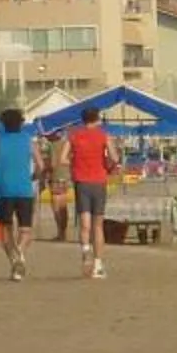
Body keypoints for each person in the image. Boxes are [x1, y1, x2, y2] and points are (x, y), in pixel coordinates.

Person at [0, 108, 43, 281]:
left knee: (6, 229)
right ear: (21, 123)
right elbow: (40, 165)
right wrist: (34, 176)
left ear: (3, 124)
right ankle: (20, 255)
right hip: (24, 190)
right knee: (26, 229)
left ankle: (15, 261)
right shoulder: (28, 140)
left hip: (3, 190)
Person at [65, 105, 119, 279]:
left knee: (85, 223)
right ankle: (98, 264)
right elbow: (115, 158)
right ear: (97, 119)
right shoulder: (104, 135)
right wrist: (108, 166)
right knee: (98, 225)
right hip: (99, 181)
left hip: (81, 182)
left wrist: (76, 164)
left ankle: (85, 251)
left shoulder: (73, 136)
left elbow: (62, 159)